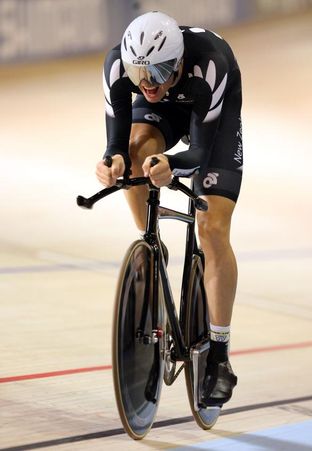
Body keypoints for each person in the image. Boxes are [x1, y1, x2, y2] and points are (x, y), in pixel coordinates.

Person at [96, 11, 242, 407]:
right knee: (135, 149)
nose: (147, 83)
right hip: (165, 117)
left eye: (159, 72)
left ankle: (220, 354)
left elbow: (198, 153)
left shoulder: (209, 62)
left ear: (178, 63)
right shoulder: (117, 68)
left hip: (210, 118)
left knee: (211, 230)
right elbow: (116, 141)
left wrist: (172, 165)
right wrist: (112, 162)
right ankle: (150, 245)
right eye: (138, 72)